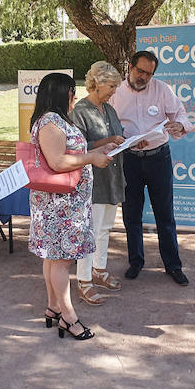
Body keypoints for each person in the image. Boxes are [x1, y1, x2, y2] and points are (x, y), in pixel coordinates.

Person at [28, 72, 115, 340]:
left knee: (53, 258)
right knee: (62, 262)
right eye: (70, 92)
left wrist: (95, 152)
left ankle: (54, 307)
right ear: (58, 94)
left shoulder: (53, 120)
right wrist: (91, 158)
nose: (74, 97)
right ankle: (68, 316)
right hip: (61, 206)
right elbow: (57, 161)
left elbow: (68, 154)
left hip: (63, 203)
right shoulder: (50, 122)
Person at [111, 50, 195, 285]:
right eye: (140, 71)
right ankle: (135, 261)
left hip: (158, 158)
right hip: (129, 159)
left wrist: (180, 125)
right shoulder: (115, 93)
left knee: (165, 214)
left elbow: (180, 113)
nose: (143, 77)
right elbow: (108, 125)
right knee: (131, 214)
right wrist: (125, 139)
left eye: (148, 74)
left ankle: (173, 265)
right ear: (130, 66)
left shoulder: (162, 89)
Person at [68, 61, 126, 305]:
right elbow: (75, 148)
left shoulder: (108, 109)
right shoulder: (80, 111)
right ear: (98, 84)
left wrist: (128, 141)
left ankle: (99, 270)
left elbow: (115, 137)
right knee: (89, 232)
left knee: (105, 229)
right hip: (91, 180)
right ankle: (84, 280)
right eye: (111, 86)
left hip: (111, 177)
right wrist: (109, 140)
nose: (114, 91)